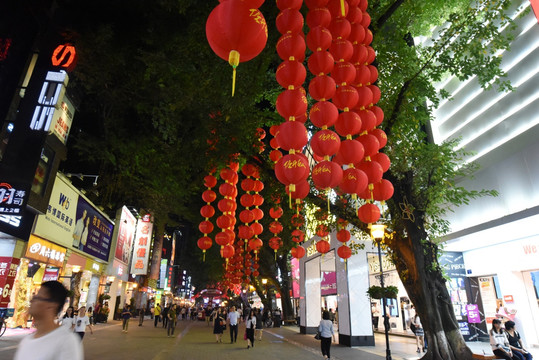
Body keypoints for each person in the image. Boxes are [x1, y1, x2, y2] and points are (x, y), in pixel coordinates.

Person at [14, 281, 83, 360]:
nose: (31, 301)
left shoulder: (66, 341)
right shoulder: (26, 341)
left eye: (37, 298)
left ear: (52, 305)